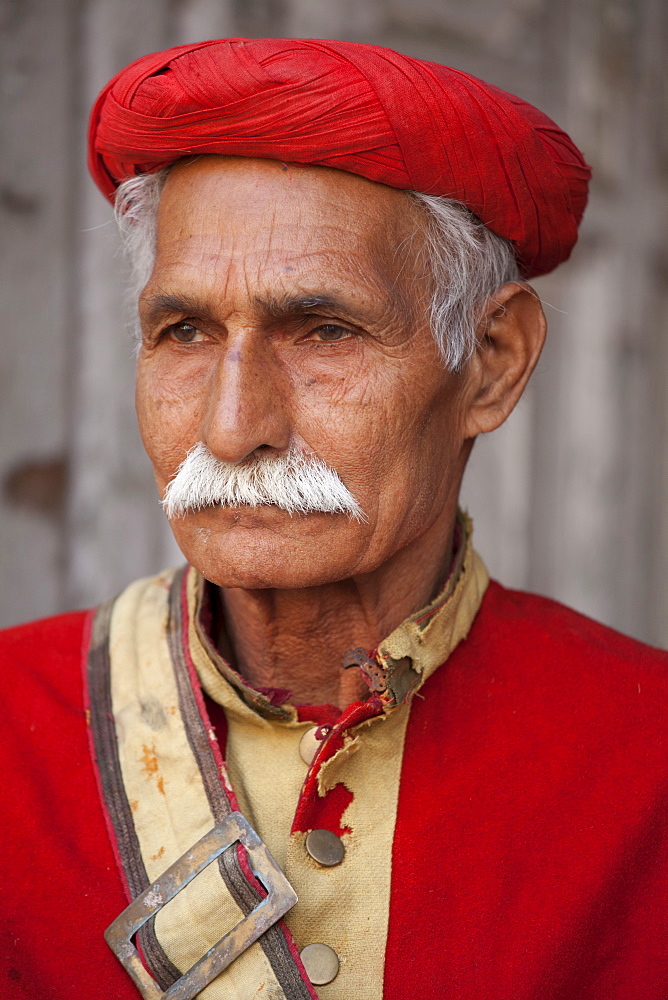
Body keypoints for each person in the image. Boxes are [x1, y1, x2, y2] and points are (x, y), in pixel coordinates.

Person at [1, 37, 666, 1000]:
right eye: (183, 332)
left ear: (493, 361)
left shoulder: (641, 762)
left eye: (324, 331)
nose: (231, 430)